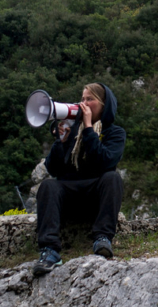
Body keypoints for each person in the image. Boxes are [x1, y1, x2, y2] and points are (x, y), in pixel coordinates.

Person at [32, 83, 126, 276]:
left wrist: (89, 129)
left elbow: (105, 162)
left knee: (112, 178)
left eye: (90, 99)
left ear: (104, 105)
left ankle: (102, 238)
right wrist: (61, 142)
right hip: (69, 196)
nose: (84, 103)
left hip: (95, 198)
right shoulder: (72, 131)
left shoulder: (115, 133)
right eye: (82, 99)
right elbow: (52, 168)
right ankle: (49, 250)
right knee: (48, 186)